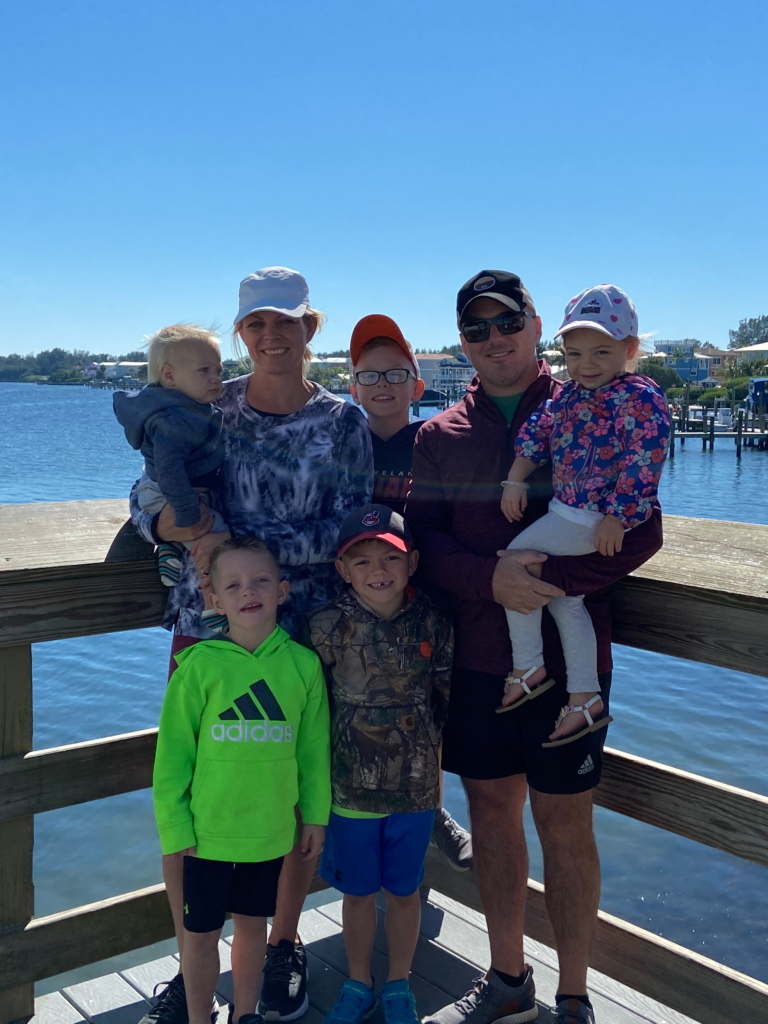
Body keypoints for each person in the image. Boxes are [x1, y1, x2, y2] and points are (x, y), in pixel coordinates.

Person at [407, 271, 664, 1024]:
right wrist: (491, 581)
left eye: (507, 322)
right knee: (491, 816)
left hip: (574, 665)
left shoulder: (597, 396)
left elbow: (644, 529)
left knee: (565, 824)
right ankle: (508, 980)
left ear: (535, 323)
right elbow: (422, 542)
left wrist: (551, 581)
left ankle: (575, 996)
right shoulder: (438, 435)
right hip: (480, 661)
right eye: (477, 328)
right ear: (463, 342)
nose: (494, 339)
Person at [132, 267, 373, 1024]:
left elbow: (354, 524)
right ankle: (192, 961)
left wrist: (251, 553)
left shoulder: (343, 422)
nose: (272, 335)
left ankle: (281, 944)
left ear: (311, 328)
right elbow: (146, 491)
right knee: (193, 785)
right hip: (206, 625)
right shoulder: (208, 403)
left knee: (290, 790)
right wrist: (169, 525)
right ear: (240, 333)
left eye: (286, 321)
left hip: (301, 630)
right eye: (256, 323)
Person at [153, 537, 331, 1024]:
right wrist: (174, 825)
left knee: (253, 929)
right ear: (214, 600)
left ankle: (245, 1014)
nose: (248, 592)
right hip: (205, 835)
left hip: (269, 833)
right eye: (232, 585)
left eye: (260, 581)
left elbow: (314, 754)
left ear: (282, 591)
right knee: (200, 937)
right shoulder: (197, 668)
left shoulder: (303, 666)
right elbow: (172, 760)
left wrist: (315, 817)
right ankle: (198, 1017)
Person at [300, 504, 453, 1024]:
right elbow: (311, 708)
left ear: (412, 562)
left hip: (415, 792)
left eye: (390, 557)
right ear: (342, 570)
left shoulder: (434, 622)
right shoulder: (323, 626)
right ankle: (358, 981)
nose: (378, 571)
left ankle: (399, 984)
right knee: (358, 893)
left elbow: (446, 698)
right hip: (349, 792)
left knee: (405, 892)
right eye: (361, 561)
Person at [499, 285, 670, 744]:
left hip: (594, 518)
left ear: (629, 350)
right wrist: (516, 477)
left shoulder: (639, 397)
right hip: (567, 510)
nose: (586, 364)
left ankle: (528, 665)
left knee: (515, 562)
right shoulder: (568, 396)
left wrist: (620, 516)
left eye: (601, 352)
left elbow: (644, 458)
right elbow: (537, 432)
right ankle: (585, 696)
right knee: (565, 599)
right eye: (574, 354)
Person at [349, 314, 472, 871]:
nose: (382, 385)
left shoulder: (435, 441)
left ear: (417, 386)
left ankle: (432, 811)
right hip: (357, 603)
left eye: (396, 374)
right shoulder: (341, 441)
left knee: (425, 713)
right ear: (353, 388)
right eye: (369, 376)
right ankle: (355, 819)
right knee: (358, 712)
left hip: (423, 603)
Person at [114, 325, 227, 589]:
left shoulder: (191, 408)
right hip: (169, 496)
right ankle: (212, 599)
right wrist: (187, 514)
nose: (216, 379)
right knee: (217, 536)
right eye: (204, 370)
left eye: (219, 371)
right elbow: (169, 472)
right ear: (169, 375)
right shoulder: (172, 422)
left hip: (171, 493)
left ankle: (171, 550)